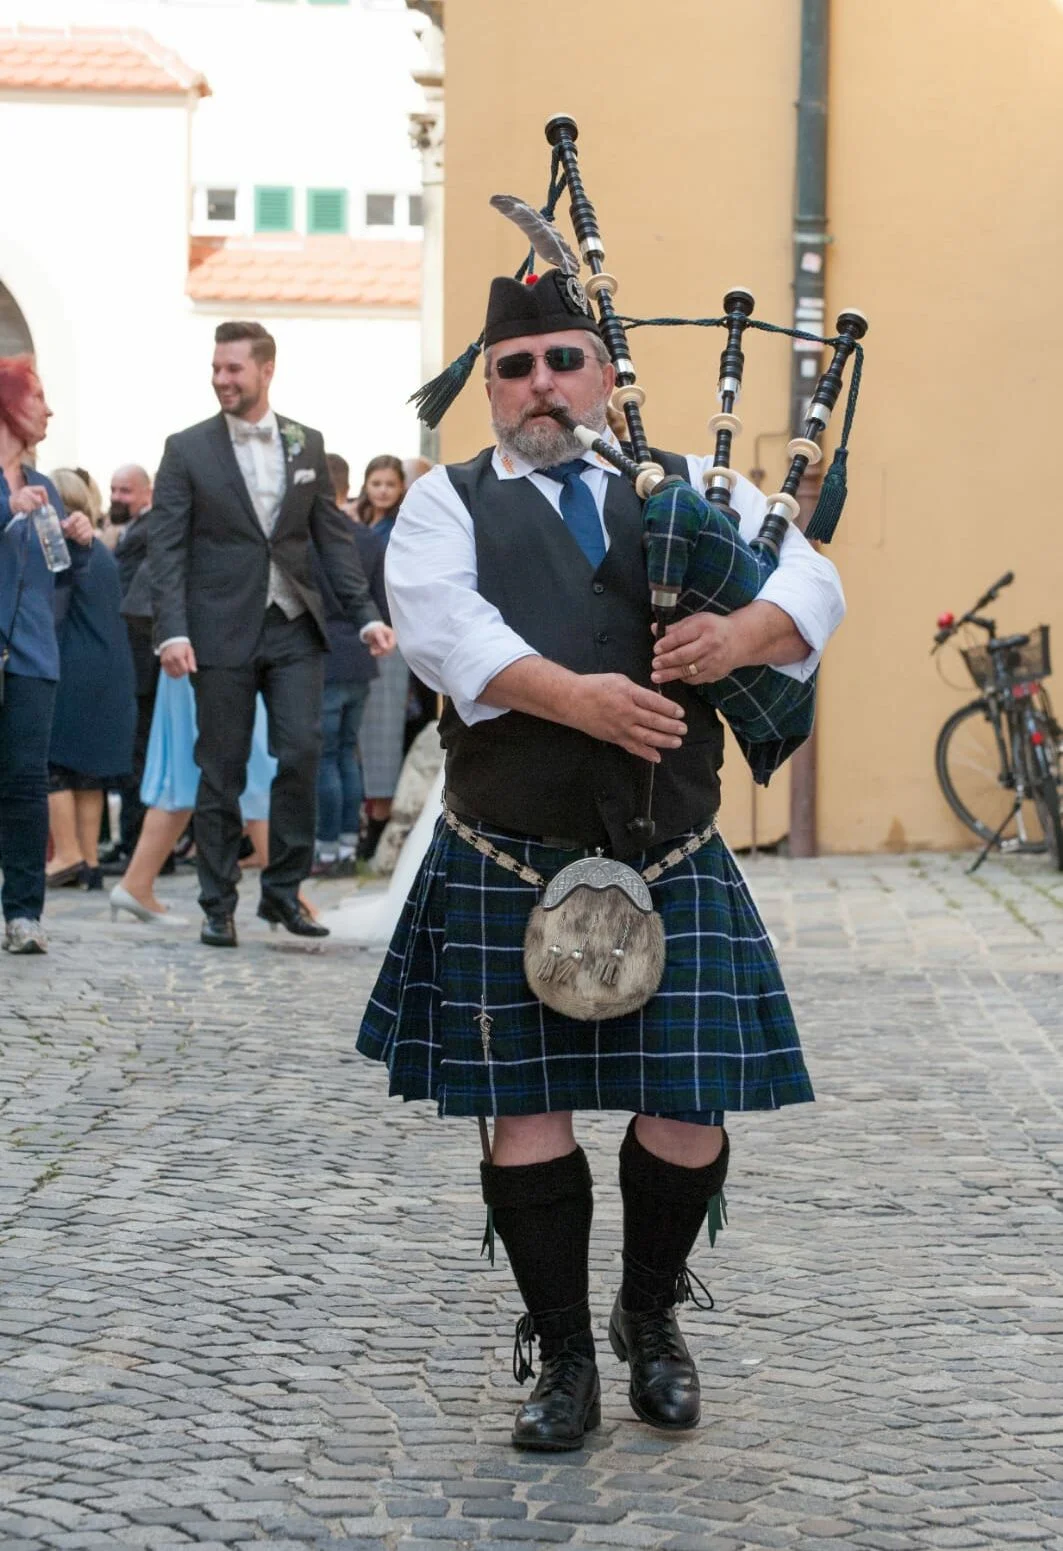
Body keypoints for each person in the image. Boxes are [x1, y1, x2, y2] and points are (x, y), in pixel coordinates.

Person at [356, 269, 846, 1450]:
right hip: (505, 854)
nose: (539, 386)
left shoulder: (686, 488)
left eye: (562, 359)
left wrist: (740, 632)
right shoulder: (446, 503)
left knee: (688, 1111)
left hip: (666, 851)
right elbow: (443, 628)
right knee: (523, 1114)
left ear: (604, 375)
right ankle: (564, 1356)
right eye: (512, 366)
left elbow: (813, 581)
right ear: (490, 386)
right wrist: (579, 700)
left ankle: (648, 1317)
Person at [149, 320, 395, 950]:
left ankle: (283, 894)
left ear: (266, 369)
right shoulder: (187, 448)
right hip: (218, 629)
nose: (221, 379)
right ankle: (218, 903)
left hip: (293, 627)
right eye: (215, 368)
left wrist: (365, 612)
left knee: (304, 752)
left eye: (233, 368)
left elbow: (332, 540)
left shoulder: (305, 443)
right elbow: (167, 548)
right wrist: (171, 631)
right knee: (221, 767)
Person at [0, 358, 94, 954]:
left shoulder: (45, 484)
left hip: (32, 656)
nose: (49, 409)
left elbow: (60, 576)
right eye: (38, 396)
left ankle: (23, 914)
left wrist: (80, 543)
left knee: (26, 785)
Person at [110, 674, 276, 927]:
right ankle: (285, 890)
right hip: (216, 658)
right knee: (252, 763)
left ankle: (137, 882)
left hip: (200, 657)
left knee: (184, 773)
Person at [44, 469, 135, 890]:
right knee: (88, 772)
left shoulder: (64, 546)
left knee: (54, 764)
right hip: (110, 665)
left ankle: (67, 854)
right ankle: (90, 863)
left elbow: (54, 613)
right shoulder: (98, 550)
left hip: (73, 664)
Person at [313, 454, 391, 874]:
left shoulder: (309, 538)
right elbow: (380, 604)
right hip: (360, 656)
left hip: (322, 656)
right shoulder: (368, 539)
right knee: (347, 753)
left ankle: (326, 849)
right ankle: (346, 845)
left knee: (325, 756)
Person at [352, 454, 409, 860]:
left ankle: (379, 821)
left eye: (390, 484)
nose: (383, 491)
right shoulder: (360, 526)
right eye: (377, 483)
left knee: (383, 735)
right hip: (362, 637)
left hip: (392, 635)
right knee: (359, 737)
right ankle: (365, 815)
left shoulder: (401, 528)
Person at [104, 464, 158, 867]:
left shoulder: (151, 530)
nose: (117, 497)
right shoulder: (130, 531)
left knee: (140, 753)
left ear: (145, 492)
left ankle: (139, 846)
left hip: (144, 660)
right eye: (113, 490)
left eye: (125, 490)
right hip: (132, 658)